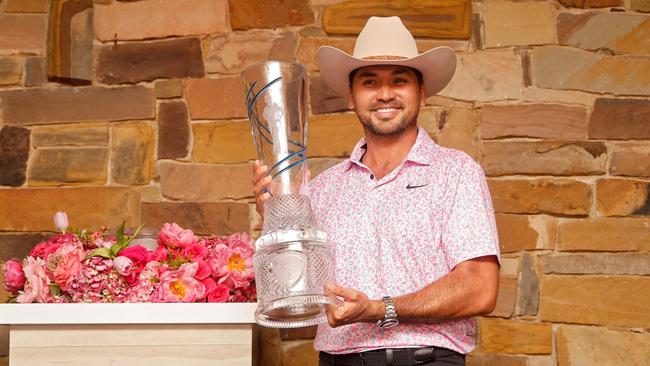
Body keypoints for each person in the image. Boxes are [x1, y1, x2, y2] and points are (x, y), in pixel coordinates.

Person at [253, 16, 500, 366]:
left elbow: (481, 288)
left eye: (399, 81)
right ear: (352, 97)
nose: (385, 94)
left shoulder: (456, 174)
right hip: (339, 359)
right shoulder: (321, 189)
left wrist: (378, 309)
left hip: (427, 360)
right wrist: (277, 218)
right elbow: (297, 289)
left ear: (422, 94)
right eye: (370, 82)